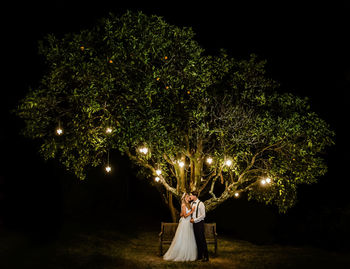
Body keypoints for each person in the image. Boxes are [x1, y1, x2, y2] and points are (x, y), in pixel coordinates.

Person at [163, 193, 198, 261]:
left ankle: (190, 254)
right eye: (187, 197)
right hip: (185, 223)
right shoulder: (183, 205)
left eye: (188, 196)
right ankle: (181, 254)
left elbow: (182, 214)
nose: (189, 197)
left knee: (189, 237)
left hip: (189, 223)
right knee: (184, 238)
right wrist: (192, 211)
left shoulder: (189, 205)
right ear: (184, 198)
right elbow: (185, 215)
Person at [190, 191, 209, 262]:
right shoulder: (191, 203)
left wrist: (195, 220)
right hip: (194, 224)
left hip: (199, 223)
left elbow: (203, 215)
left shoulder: (201, 204)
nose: (190, 196)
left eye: (191, 195)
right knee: (197, 240)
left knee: (202, 240)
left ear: (195, 196)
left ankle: (206, 257)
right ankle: (200, 256)